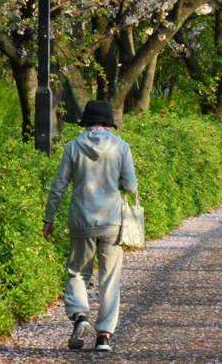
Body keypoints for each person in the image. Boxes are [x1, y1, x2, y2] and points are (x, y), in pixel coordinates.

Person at [43, 100, 138, 352]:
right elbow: (130, 186)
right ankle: (104, 336)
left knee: (78, 273)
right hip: (112, 224)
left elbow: (59, 186)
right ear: (108, 123)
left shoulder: (73, 147)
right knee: (110, 279)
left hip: (81, 221)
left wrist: (49, 218)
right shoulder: (122, 147)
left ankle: (80, 316)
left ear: (85, 122)